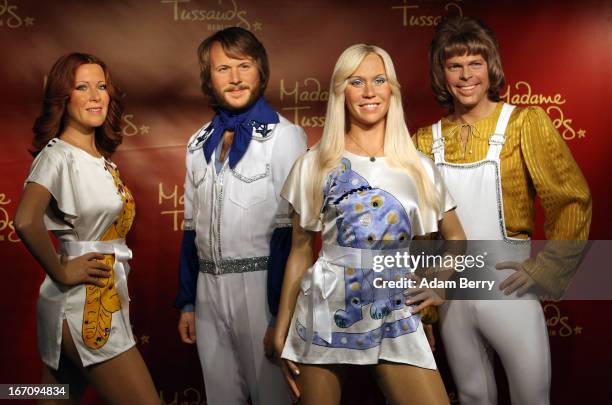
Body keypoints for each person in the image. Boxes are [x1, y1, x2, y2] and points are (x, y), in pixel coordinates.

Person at [413, 16, 592, 405]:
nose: (465, 75)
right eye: (454, 65)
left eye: (475, 62)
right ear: (441, 75)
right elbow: (422, 232)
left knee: (531, 398)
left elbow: (571, 200)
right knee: (472, 396)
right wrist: (426, 310)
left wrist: (545, 268)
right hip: (453, 299)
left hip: (507, 291)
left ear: (491, 67)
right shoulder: (425, 140)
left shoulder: (525, 123)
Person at [273, 44, 465, 405]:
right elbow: (299, 251)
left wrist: (436, 289)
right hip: (325, 306)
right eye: (356, 81)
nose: (369, 92)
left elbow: (455, 238)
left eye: (379, 80)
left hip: (395, 305)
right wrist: (281, 330)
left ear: (391, 88)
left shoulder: (418, 166)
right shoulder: (314, 165)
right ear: (340, 91)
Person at [14, 53, 159, 404]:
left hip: (93, 300)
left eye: (102, 87)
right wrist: (62, 271)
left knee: (53, 398)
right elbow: (25, 220)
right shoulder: (57, 155)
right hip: (84, 306)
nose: (95, 96)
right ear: (64, 97)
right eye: (82, 87)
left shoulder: (100, 159)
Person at [174, 27, 307, 405]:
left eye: (243, 66)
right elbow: (190, 227)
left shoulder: (285, 136)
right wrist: (187, 301)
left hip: (261, 285)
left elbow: (293, 234)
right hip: (208, 292)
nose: (234, 78)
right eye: (222, 68)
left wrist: (280, 317)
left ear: (260, 70)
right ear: (209, 78)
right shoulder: (198, 141)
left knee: (274, 397)